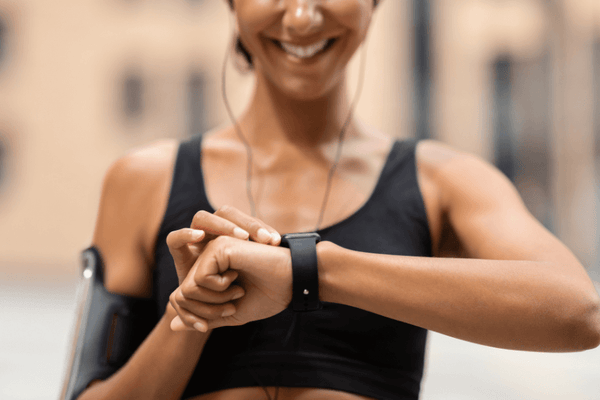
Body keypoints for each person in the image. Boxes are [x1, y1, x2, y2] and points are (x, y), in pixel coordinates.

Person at [73, 0, 600, 399]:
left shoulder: (444, 181)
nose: (302, 17)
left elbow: (579, 311)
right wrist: (192, 314)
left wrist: (309, 272)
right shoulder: (143, 179)